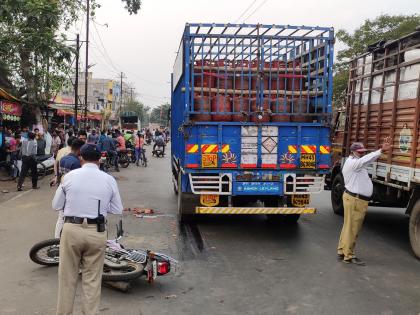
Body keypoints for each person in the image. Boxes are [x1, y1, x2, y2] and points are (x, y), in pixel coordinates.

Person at [52, 144, 123, 315]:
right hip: (96, 232)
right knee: (92, 280)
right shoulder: (108, 179)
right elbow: (117, 209)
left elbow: (56, 205)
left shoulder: (69, 177)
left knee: (67, 278)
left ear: (80, 157)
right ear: (100, 159)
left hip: (71, 230)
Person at [337, 137, 392, 265]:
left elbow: (366, 160)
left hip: (354, 198)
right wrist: (380, 150)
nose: (362, 153)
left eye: (363, 151)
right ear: (353, 152)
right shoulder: (354, 163)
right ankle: (348, 255)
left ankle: (342, 250)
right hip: (355, 200)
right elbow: (366, 160)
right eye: (360, 151)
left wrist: (380, 152)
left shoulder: (355, 162)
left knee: (348, 227)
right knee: (353, 228)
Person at [54, 139, 85, 238]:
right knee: (71, 218)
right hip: (71, 194)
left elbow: (60, 175)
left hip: (62, 189)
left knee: (61, 217)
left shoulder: (63, 159)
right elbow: (77, 181)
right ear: (79, 150)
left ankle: (56, 240)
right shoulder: (76, 163)